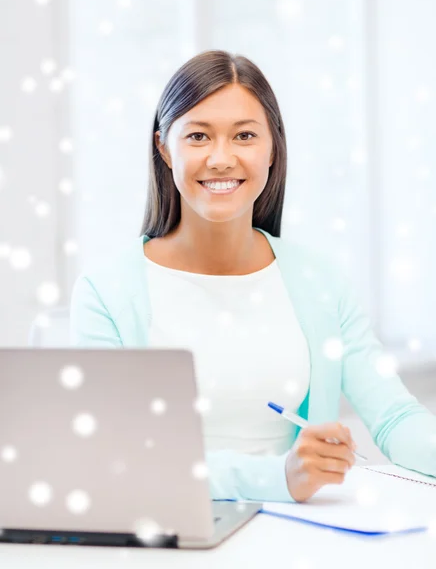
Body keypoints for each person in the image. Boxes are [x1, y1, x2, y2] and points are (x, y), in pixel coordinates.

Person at [70, 50, 436, 503]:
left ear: (272, 148)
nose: (222, 159)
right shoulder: (105, 292)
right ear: (164, 147)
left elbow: (395, 417)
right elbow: (114, 456)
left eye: (244, 135)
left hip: (296, 535)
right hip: (170, 538)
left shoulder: (319, 282)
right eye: (199, 136)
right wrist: (277, 477)